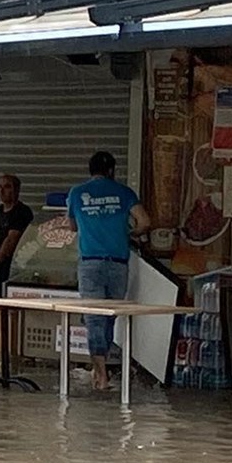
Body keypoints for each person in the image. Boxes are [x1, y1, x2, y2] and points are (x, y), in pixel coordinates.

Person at [68, 151, 150, 391]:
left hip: (90, 262)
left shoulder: (76, 193)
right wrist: (128, 233)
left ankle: (100, 373)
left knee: (93, 317)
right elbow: (145, 221)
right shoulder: (124, 193)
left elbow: (72, 226)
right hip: (118, 263)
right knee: (110, 315)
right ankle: (102, 371)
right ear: (112, 170)